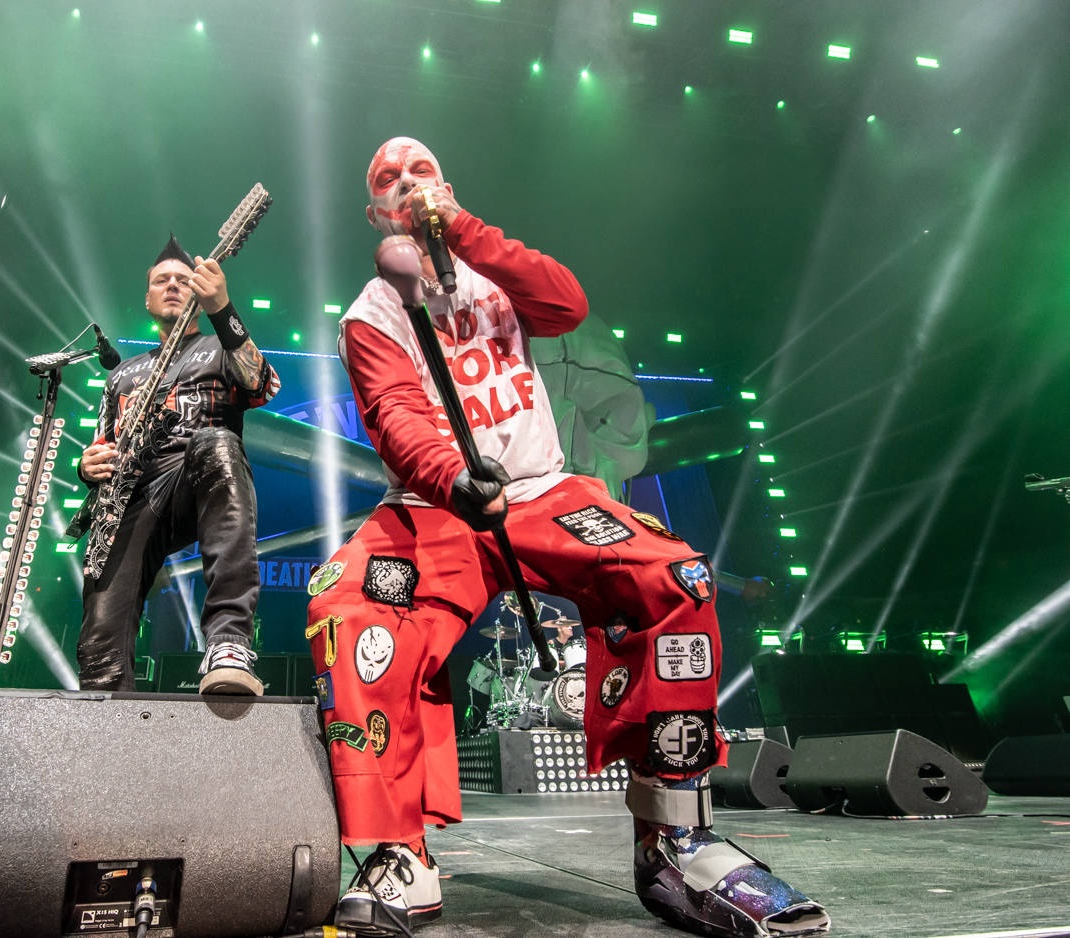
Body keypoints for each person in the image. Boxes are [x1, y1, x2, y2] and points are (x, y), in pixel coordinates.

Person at [304, 137, 829, 938]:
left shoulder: (492, 276)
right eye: (388, 180)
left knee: (674, 578)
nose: (406, 183)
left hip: (543, 491)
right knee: (349, 610)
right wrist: (450, 475)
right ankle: (395, 852)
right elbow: (393, 413)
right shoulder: (370, 313)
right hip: (434, 505)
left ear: (447, 186)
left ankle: (673, 840)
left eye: (421, 171)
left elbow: (566, 306)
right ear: (375, 213)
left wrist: (465, 230)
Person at [77, 236, 279, 694]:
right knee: (98, 650)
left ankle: (228, 643)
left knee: (216, 441)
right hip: (133, 495)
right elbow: (103, 445)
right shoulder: (122, 374)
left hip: (197, 475)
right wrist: (85, 467)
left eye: (183, 280)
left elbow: (262, 385)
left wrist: (223, 309)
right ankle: (104, 710)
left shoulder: (218, 346)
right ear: (147, 299)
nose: (172, 285)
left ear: (199, 291)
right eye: (161, 281)